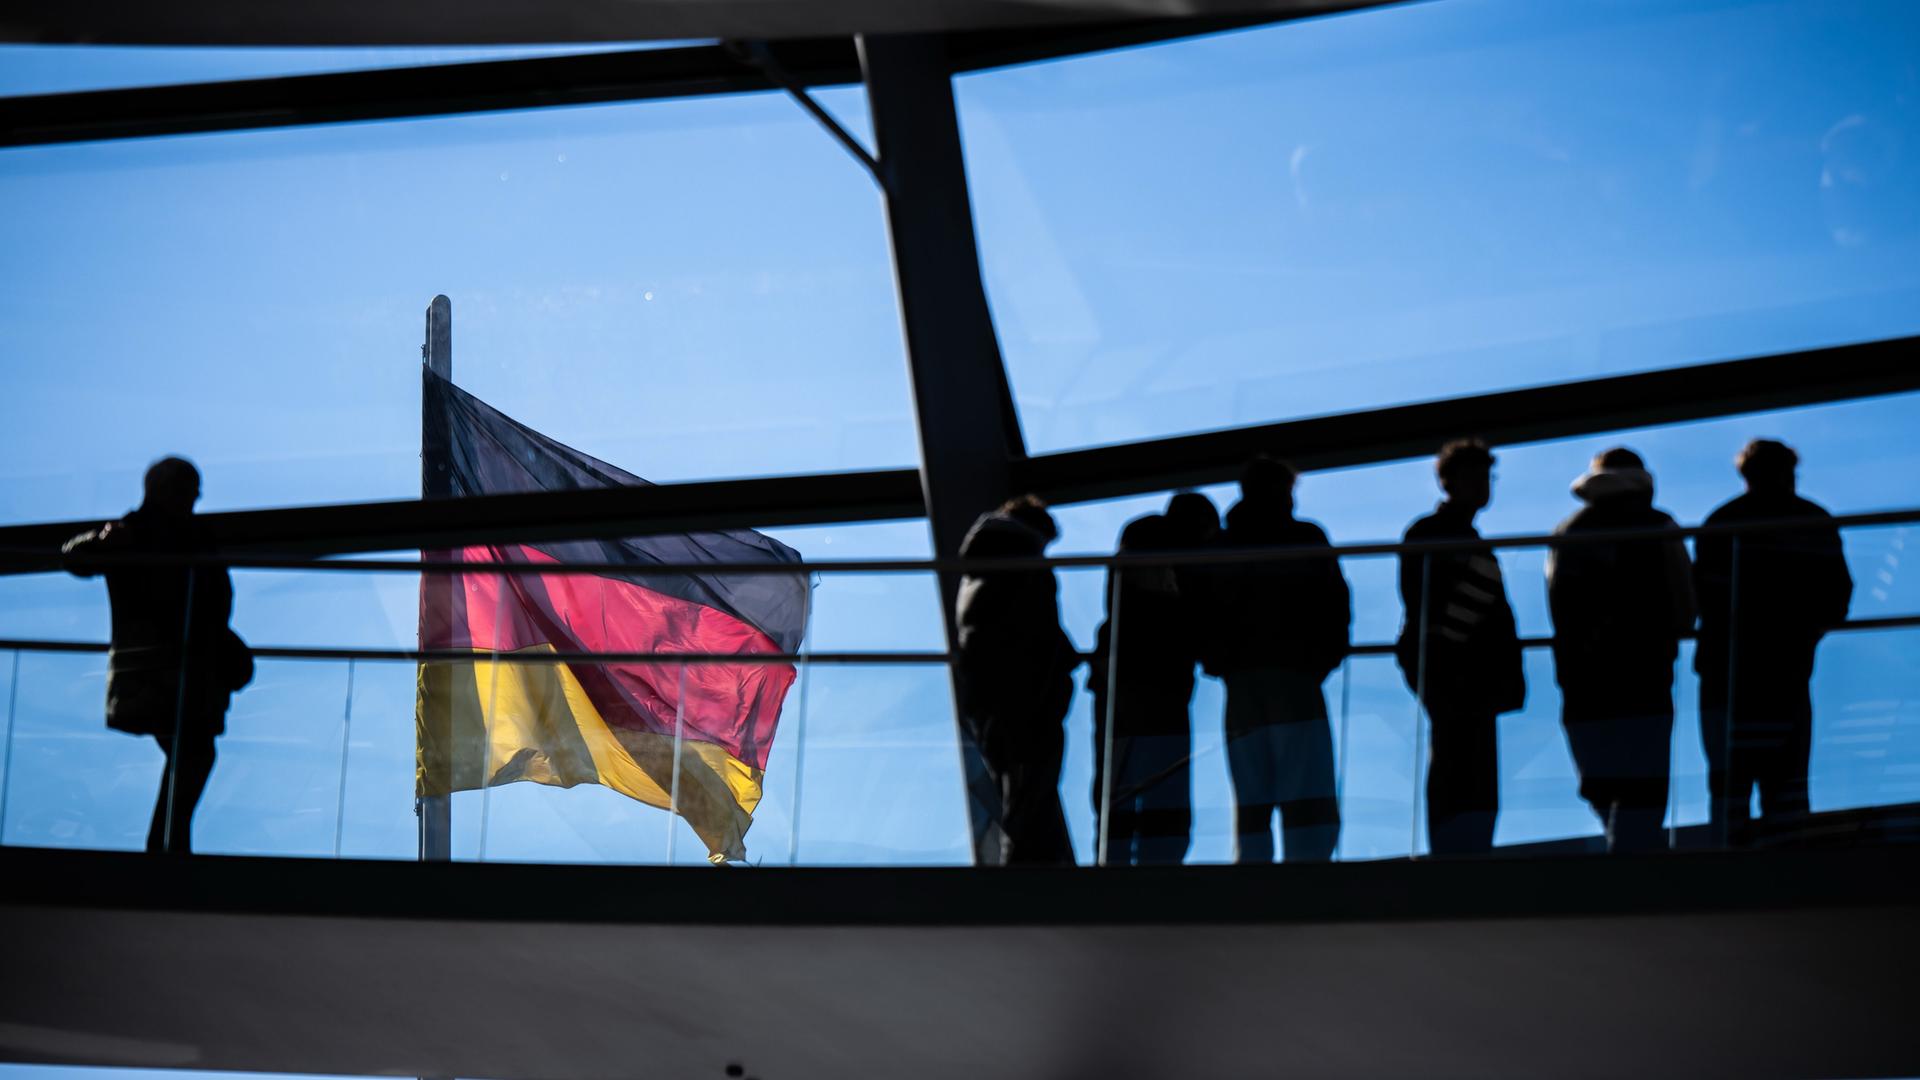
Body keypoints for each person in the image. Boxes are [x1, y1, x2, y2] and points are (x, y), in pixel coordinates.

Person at [62, 457, 252, 855]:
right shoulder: (135, 533)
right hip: (158, 672)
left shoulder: (178, 535)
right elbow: (75, 557)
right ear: (167, 490)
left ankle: (167, 843)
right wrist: (101, 541)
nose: (196, 496)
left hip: (180, 671)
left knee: (193, 753)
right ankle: (167, 845)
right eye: (189, 488)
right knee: (195, 752)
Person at [1693, 439, 1851, 847]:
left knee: (1730, 791)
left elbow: (1703, 596)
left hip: (1727, 675)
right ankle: (1790, 876)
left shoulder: (1723, 521)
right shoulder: (1809, 519)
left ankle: (1730, 876)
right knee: (1787, 791)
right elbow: (1837, 597)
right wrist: (1801, 634)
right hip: (1785, 674)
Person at [1546, 448, 1695, 853]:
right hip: (1645, 676)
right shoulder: (1658, 526)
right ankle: (1636, 865)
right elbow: (1685, 607)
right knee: (1644, 787)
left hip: (1582, 680)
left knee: (1602, 783)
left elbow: (1559, 607)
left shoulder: (1567, 531)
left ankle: (1623, 853)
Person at [1212, 457, 1350, 863]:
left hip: (1245, 677)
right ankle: (1306, 870)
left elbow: (1210, 609)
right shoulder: (1303, 538)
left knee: (1252, 785)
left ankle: (1253, 871)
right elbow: (1335, 604)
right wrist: (1322, 657)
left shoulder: (1223, 544)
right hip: (1294, 674)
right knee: (1305, 781)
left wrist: (1221, 658)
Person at [1396, 439, 1525, 855]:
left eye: (1485, 477)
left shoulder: (1458, 537)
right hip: (1456, 673)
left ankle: (1464, 849)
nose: (1483, 486)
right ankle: (1457, 851)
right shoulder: (1434, 535)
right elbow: (1425, 606)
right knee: (1461, 763)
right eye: (1474, 477)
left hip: (1466, 674)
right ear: (1449, 481)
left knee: (1471, 766)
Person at [955, 494, 1080, 865]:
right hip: (1026, 699)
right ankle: (1026, 874)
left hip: (991, 697)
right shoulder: (1025, 565)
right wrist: (1063, 666)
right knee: (1031, 786)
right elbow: (1037, 632)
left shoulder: (981, 568)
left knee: (1020, 786)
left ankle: (1034, 869)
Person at [1090, 513, 1198, 866]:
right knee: (1163, 802)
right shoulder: (1173, 620)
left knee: (1116, 799)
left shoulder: (1115, 629)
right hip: (1161, 706)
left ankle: (1113, 874)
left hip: (1124, 704)